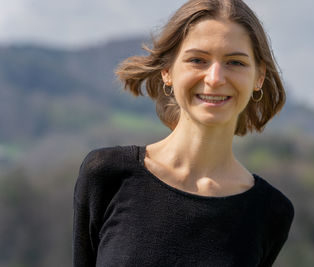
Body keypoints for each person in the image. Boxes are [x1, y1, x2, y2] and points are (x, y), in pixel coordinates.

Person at [73, 0, 294, 266]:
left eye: (235, 62)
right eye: (198, 60)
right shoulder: (107, 174)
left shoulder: (271, 212)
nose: (214, 78)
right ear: (167, 71)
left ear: (259, 77)